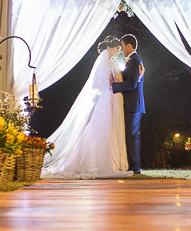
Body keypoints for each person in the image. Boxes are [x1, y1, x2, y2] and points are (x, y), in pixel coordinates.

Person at [41, 37, 131, 179]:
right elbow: (119, 80)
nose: (118, 51)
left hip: (101, 98)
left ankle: (92, 160)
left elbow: (98, 83)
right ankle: (111, 161)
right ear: (109, 48)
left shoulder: (100, 63)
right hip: (110, 98)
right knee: (110, 128)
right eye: (116, 48)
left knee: (97, 128)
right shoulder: (113, 61)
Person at [110, 33, 144, 174]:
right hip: (132, 103)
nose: (122, 50)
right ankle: (133, 164)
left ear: (129, 46)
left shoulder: (134, 61)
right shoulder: (133, 61)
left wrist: (115, 86)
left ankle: (135, 167)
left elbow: (132, 83)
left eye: (123, 46)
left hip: (132, 104)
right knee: (131, 135)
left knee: (131, 135)